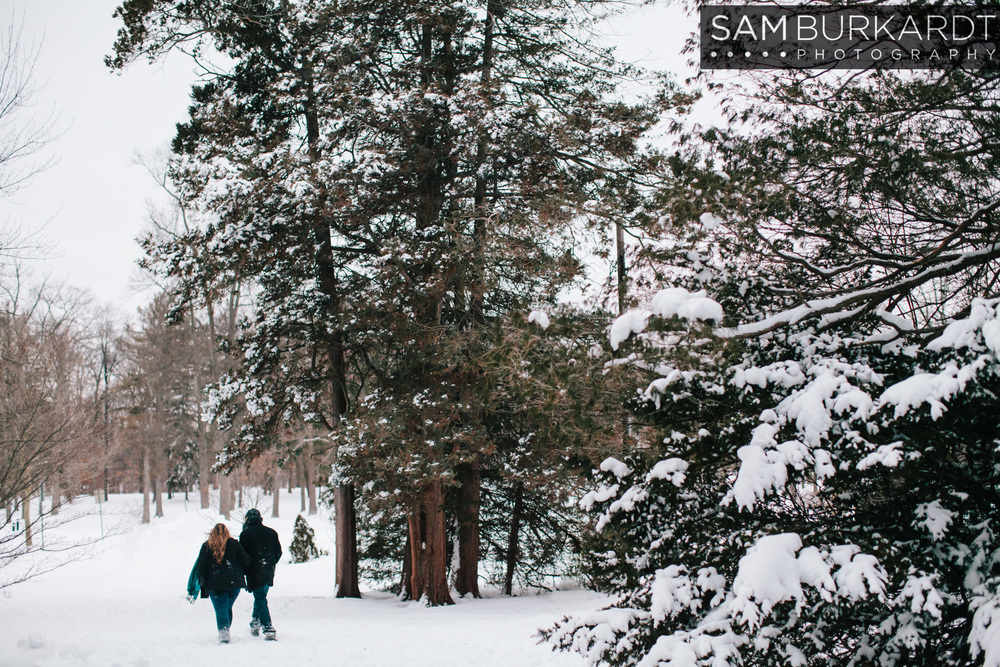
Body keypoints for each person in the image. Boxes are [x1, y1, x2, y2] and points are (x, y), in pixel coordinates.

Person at [195, 523, 251, 644]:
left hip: (215, 583)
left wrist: (202, 580)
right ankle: (225, 629)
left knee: (221, 607)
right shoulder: (235, 544)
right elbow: (246, 560)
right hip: (234, 582)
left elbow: (201, 565)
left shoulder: (206, 546)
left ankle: (224, 631)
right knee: (225, 607)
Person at [239, 508, 282, 641]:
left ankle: (268, 627)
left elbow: (242, 555)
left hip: (254, 570)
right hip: (268, 569)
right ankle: (255, 622)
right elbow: (278, 552)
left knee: (260, 597)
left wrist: (245, 570)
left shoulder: (245, 534)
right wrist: (271, 563)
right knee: (261, 596)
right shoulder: (271, 533)